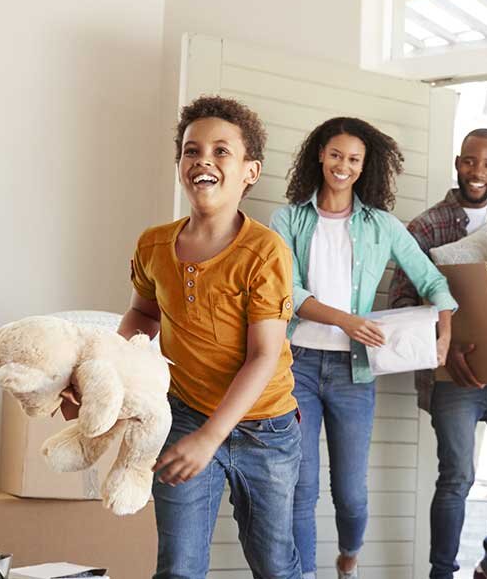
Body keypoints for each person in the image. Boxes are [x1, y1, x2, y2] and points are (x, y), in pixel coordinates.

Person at [65, 95, 303, 579]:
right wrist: (101, 382)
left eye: (221, 152)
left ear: (249, 172)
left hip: (266, 430)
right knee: (178, 567)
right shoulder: (153, 244)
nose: (204, 161)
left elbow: (264, 355)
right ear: (180, 165)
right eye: (192, 151)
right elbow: (141, 316)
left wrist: (212, 438)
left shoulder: (266, 251)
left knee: (276, 566)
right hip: (184, 417)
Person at [269, 117, 459, 579]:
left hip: (355, 374)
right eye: (336, 155)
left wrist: (445, 331)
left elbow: (433, 281)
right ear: (319, 154)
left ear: (365, 166)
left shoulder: (382, 226)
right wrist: (347, 321)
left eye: (354, 159)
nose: (343, 166)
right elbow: (286, 291)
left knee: (350, 492)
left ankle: (349, 557)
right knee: (302, 487)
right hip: (298, 368)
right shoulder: (288, 219)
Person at [388, 128, 487, 579]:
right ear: (458, 163)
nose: (478, 173)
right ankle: (441, 573)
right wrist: (446, 345)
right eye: (471, 162)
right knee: (457, 477)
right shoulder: (427, 225)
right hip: (454, 374)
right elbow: (400, 300)